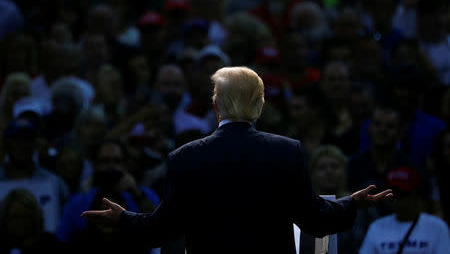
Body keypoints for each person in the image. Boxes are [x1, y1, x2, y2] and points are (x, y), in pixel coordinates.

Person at [82, 66, 392, 254]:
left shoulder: (185, 157)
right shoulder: (287, 151)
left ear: (216, 106)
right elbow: (315, 219)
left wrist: (123, 218)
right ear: (259, 105)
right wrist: (352, 202)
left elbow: (162, 229)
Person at [360, 166, 450, 254]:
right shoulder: (377, 227)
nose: (396, 200)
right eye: (392, 195)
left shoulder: (437, 227)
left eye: (402, 194)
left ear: (416, 195)